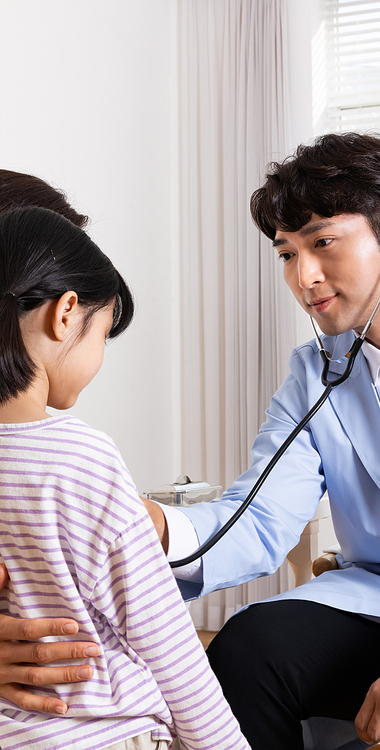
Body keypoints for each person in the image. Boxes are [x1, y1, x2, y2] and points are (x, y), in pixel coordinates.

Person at [0, 133, 380, 749]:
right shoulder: (314, 372)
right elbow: (259, 519)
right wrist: (153, 527)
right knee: (247, 648)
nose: (303, 276)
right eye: (286, 253)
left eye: (321, 243)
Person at [0, 206, 250, 750]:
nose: (99, 357)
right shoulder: (83, 457)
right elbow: (167, 644)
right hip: (106, 734)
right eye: (103, 335)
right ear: (65, 313)